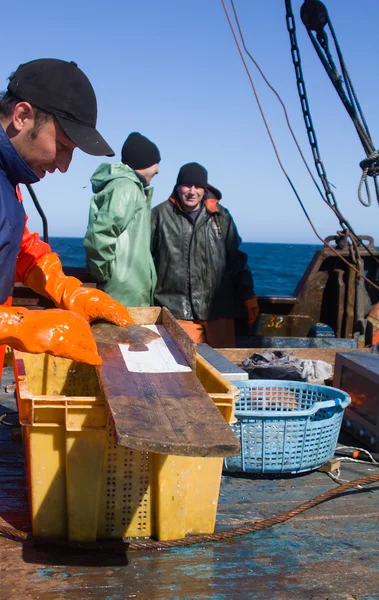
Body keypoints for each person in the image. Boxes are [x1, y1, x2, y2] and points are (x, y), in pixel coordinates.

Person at [0, 58, 134, 369]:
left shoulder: (8, 178)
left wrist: (67, 289)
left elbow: (18, 247)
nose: (63, 166)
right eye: (62, 146)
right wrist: (22, 326)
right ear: (22, 115)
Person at [151, 162, 259, 347]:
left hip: (219, 309)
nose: (192, 191)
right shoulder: (158, 215)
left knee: (224, 368)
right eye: (187, 185)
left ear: (204, 188)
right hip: (177, 310)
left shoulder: (221, 216)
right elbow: (144, 261)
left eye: (198, 186)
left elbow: (236, 259)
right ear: (177, 187)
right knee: (185, 368)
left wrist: (248, 295)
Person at [84, 132, 160, 307]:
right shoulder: (127, 188)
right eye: (157, 163)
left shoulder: (128, 187)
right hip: (123, 294)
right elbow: (99, 233)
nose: (158, 170)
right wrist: (105, 275)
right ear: (146, 161)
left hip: (126, 293)